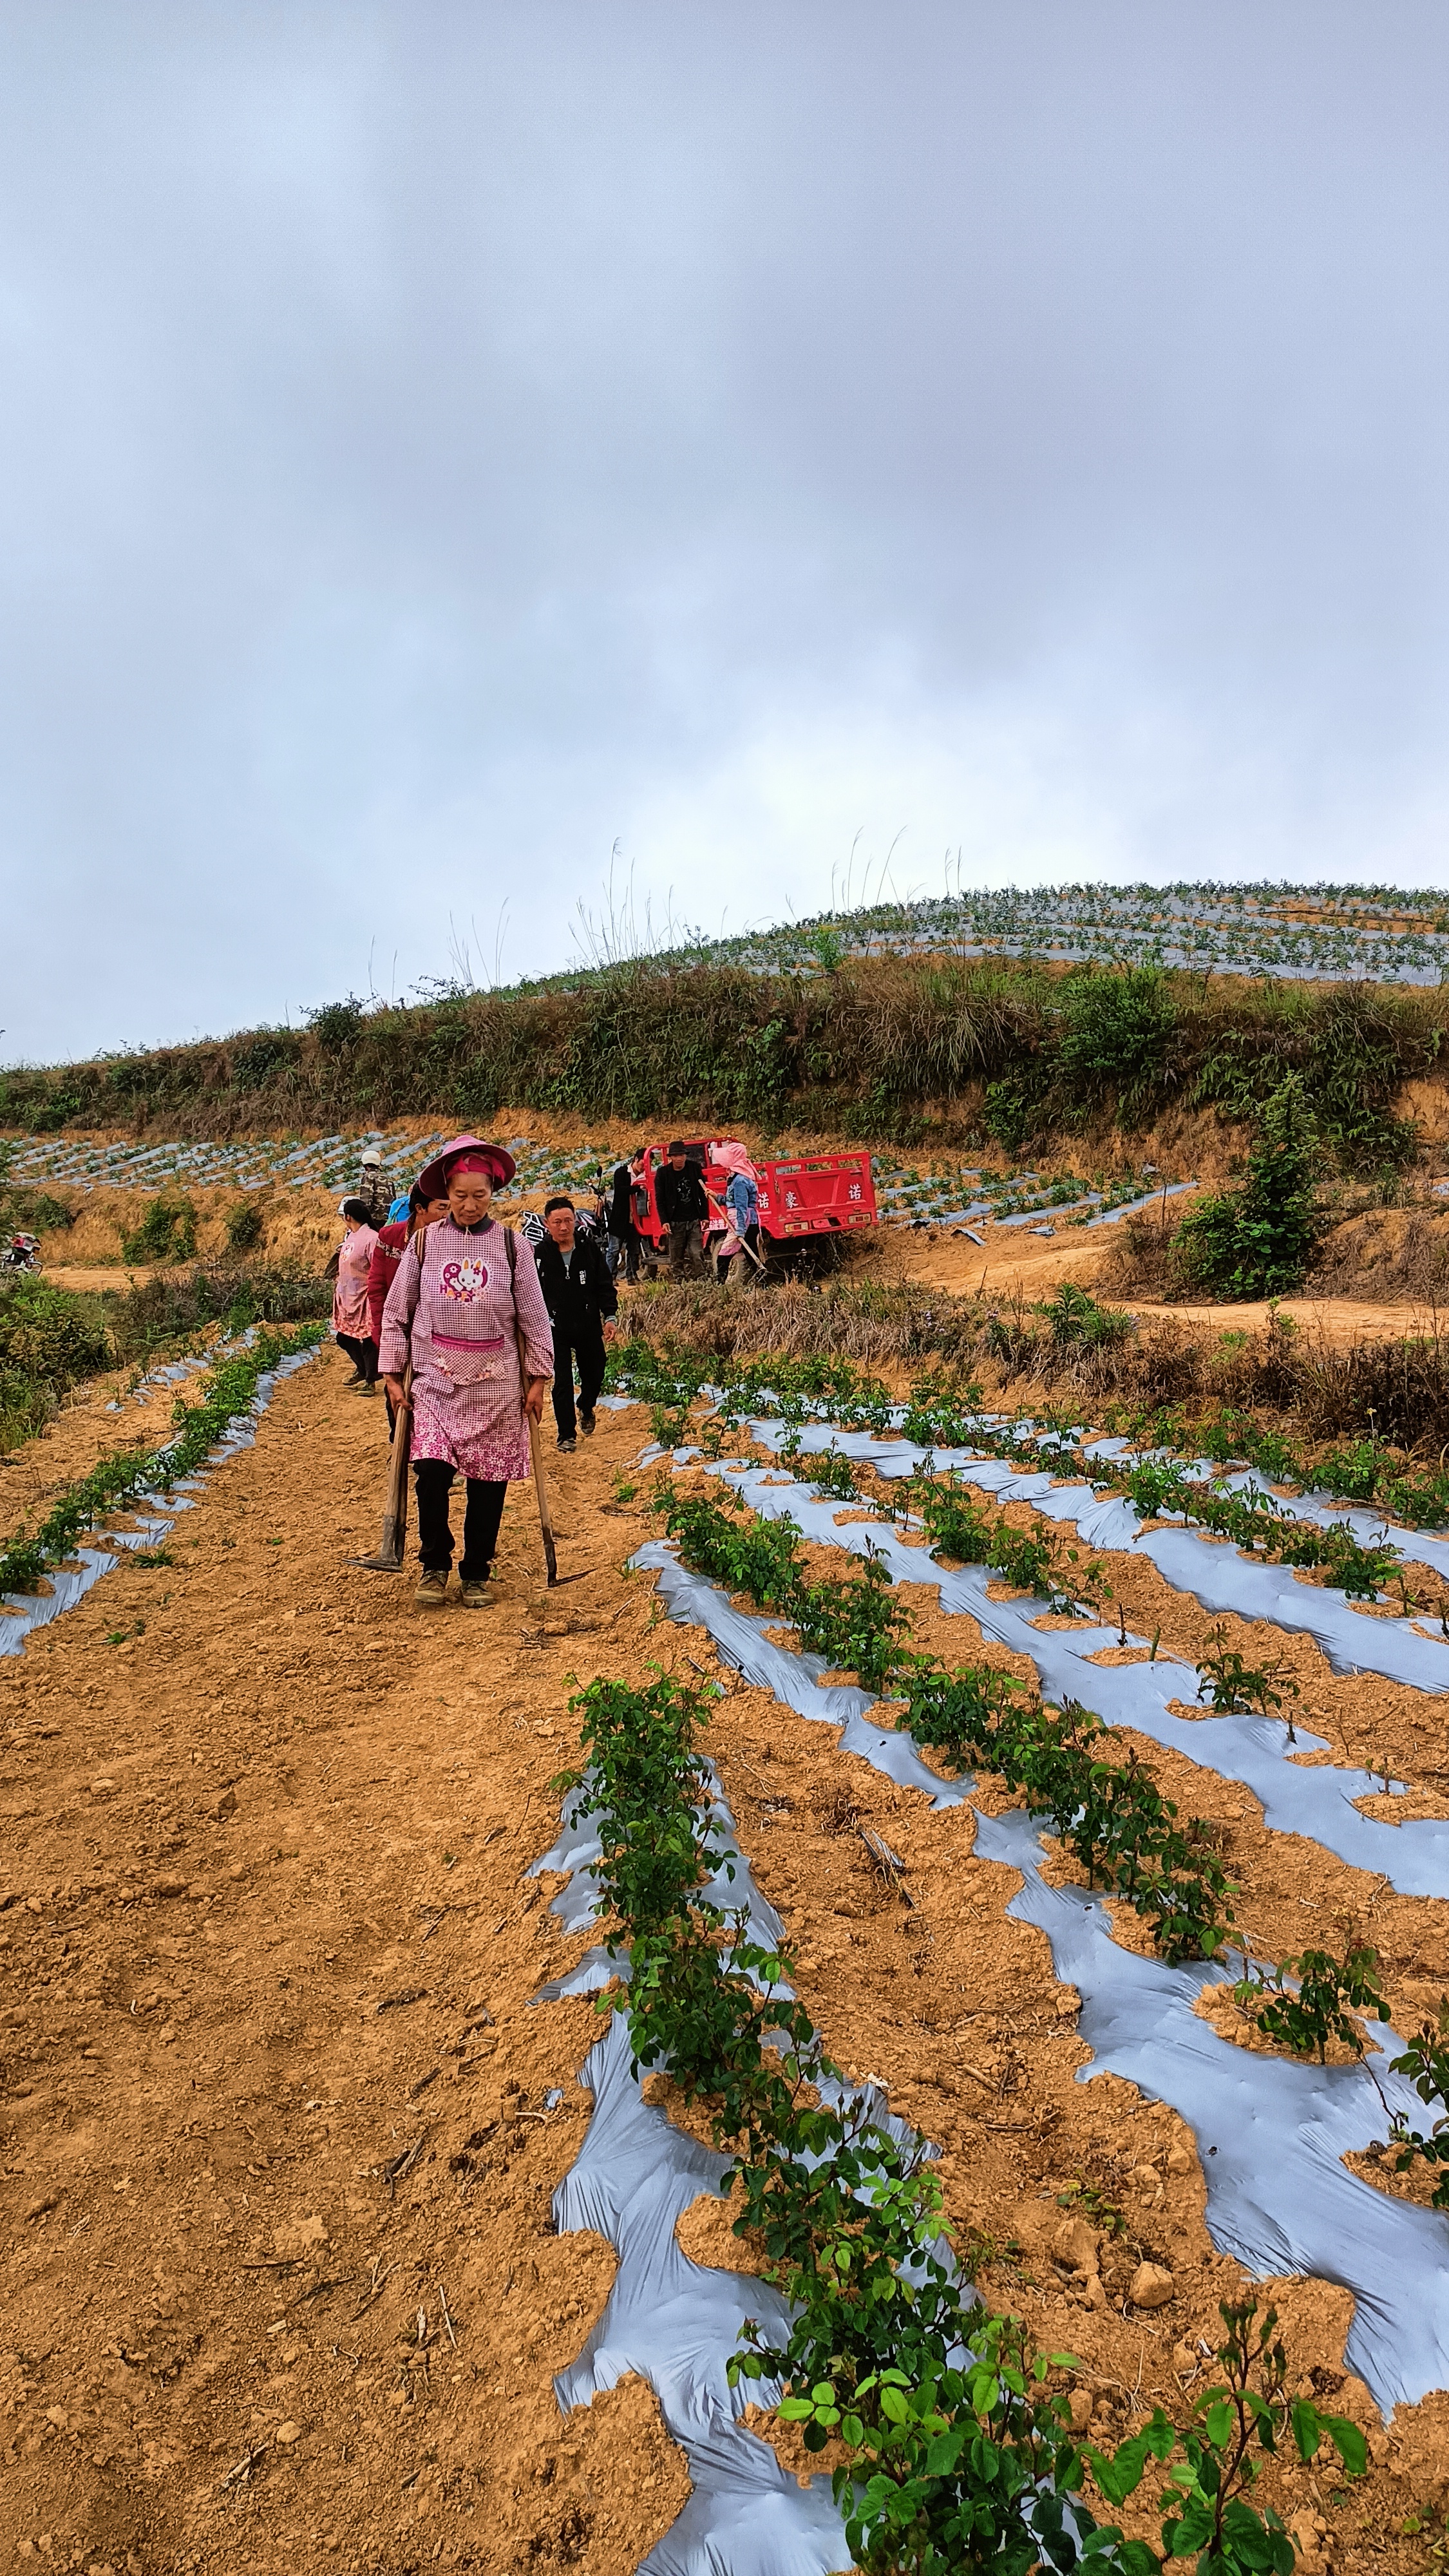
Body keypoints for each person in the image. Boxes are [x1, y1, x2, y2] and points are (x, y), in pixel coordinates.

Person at [378, 1136, 553, 1609]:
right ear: (446, 1194)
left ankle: (476, 1570)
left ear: (493, 1193)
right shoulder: (424, 1244)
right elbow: (398, 1312)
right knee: (431, 1475)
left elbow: (534, 1317)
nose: (470, 1205)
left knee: (488, 1483)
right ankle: (435, 1564)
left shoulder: (513, 1248)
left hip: (496, 1383)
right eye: (460, 1196)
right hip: (434, 1379)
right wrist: (393, 1375)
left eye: (480, 1196)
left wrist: (537, 1380)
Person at [367, 1181, 451, 1435]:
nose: (447, 1214)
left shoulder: (451, 1240)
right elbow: (377, 1286)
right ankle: (400, 1441)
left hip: (436, 1335)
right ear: (420, 1209)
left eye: (450, 1208)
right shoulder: (390, 1237)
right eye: (441, 1207)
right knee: (396, 1391)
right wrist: (383, 1332)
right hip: (399, 1328)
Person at [535, 1196, 618, 1451]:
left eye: (568, 1220)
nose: (563, 1227)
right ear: (548, 1225)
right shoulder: (539, 1254)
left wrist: (610, 1316)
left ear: (575, 1221)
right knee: (562, 1382)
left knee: (595, 1370)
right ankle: (566, 1434)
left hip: (588, 1324)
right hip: (555, 1328)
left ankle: (586, 1404)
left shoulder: (588, 1247)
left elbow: (604, 1284)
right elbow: (532, 1294)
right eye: (557, 1222)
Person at [333, 1197, 381, 1390]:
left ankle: (370, 1380)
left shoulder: (371, 1238)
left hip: (365, 1297)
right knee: (344, 1338)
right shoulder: (351, 1235)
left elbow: (377, 1269)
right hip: (347, 1297)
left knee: (369, 1339)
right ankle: (362, 1369)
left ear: (348, 1216)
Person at [710, 1139, 764, 1287]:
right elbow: (731, 1201)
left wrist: (740, 1230)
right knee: (752, 1256)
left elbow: (742, 1207)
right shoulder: (738, 1179)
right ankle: (762, 1285)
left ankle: (719, 1287)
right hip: (748, 1223)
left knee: (723, 1256)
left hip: (742, 1223)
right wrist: (717, 1197)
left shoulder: (740, 1181)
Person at [654, 1141, 708, 1280]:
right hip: (675, 1222)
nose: (679, 1158)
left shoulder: (694, 1168)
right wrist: (664, 1221)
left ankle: (702, 1280)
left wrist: (705, 1216)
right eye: (676, 1155)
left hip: (693, 1219)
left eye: (681, 1155)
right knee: (676, 1256)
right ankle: (680, 1281)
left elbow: (703, 1194)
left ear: (685, 1156)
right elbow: (660, 1200)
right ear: (671, 1157)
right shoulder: (663, 1173)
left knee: (697, 1252)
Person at [606, 1152, 642, 1282]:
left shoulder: (645, 1175)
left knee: (634, 1250)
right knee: (614, 1250)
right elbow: (620, 1189)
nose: (643, 1168)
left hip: (636, 1219)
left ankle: (632, 1276)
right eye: (642, 1164)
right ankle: (610, 1278)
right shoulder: (621, 1172)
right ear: (636, 1159)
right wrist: (637, 1189)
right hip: (620, 1218)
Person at [355, 1150, 392, 1227]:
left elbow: (365, 1201)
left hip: (375, 1219)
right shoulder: (387, 1177)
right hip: (389, 1218)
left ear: (365, 1165)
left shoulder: (368, 1177)